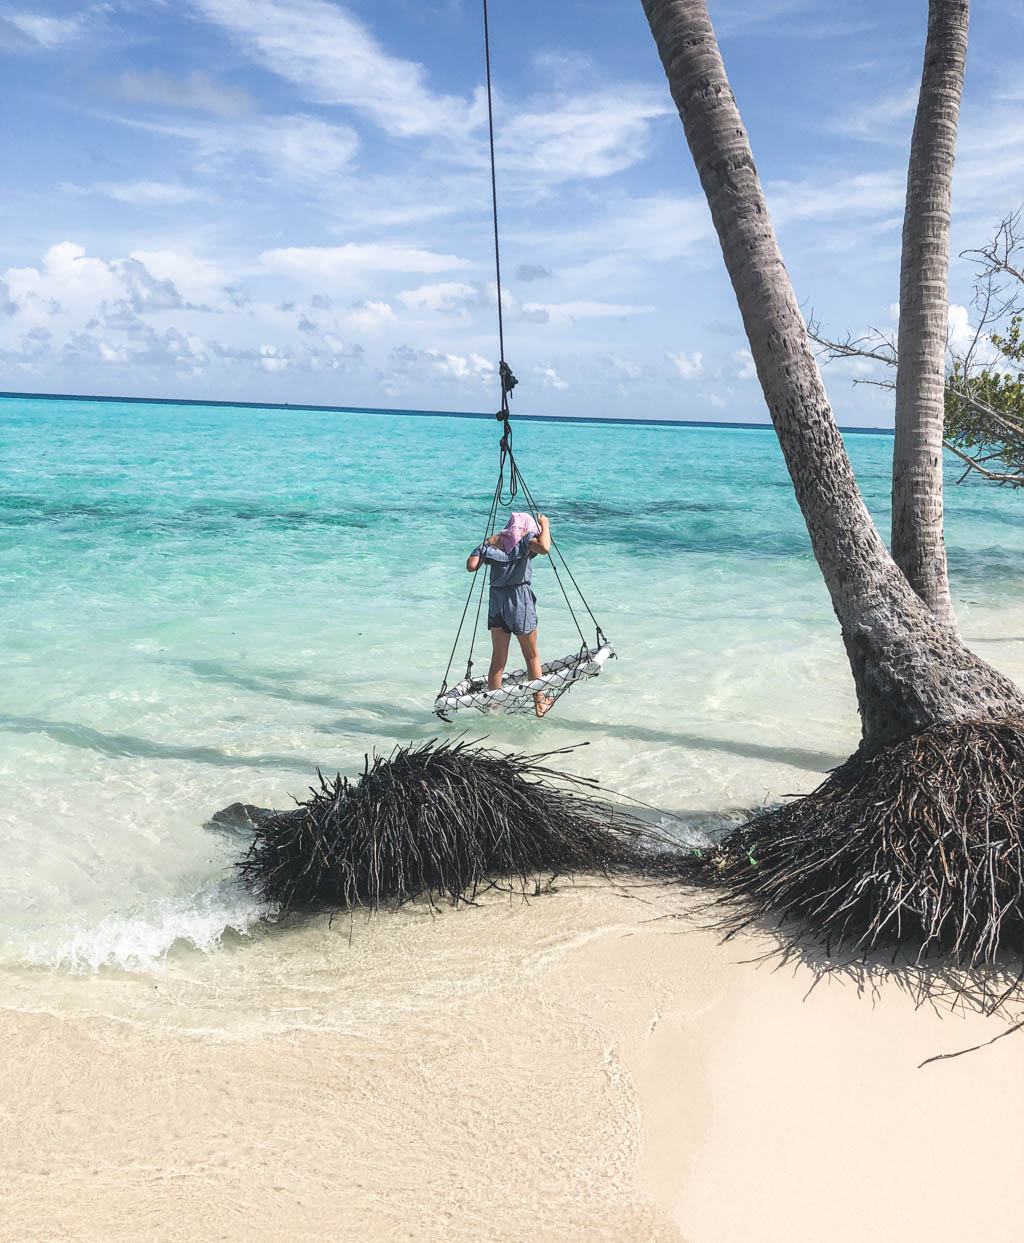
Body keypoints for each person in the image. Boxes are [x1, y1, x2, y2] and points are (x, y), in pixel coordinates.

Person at [466, 512, 554, 717]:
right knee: (531, 656)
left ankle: (494, 707)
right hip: (519, 601)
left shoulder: (492, 545)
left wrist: (484, 547)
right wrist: (545, 524)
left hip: (497, 602)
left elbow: (471, 566)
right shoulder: (525, 542)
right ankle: (540, 703)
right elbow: (545, 547)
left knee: (498, 660)